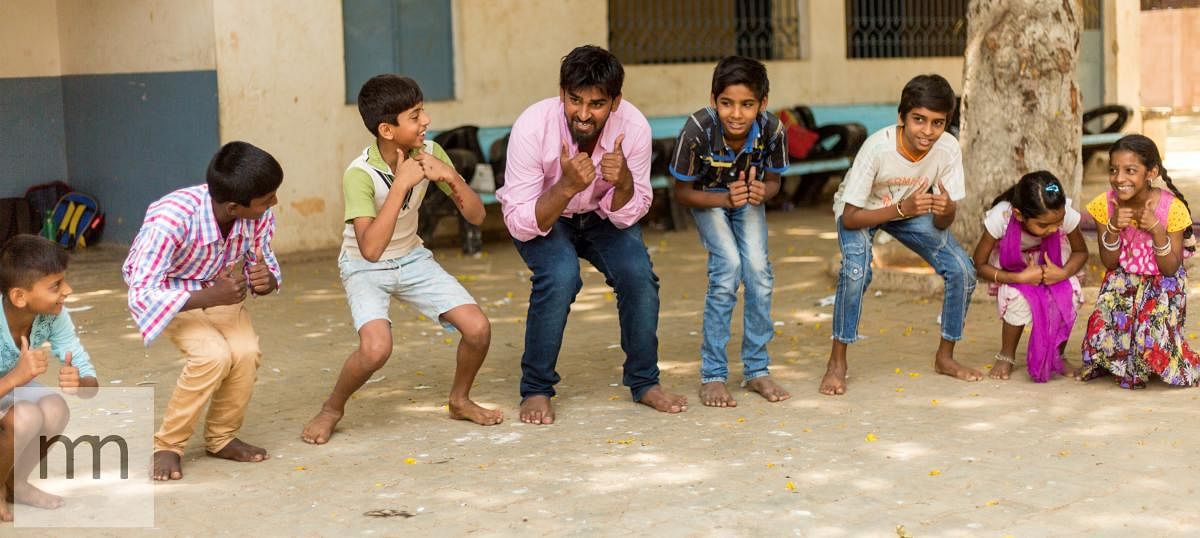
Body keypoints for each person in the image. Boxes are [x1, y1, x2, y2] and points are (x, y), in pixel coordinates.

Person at [301, 75, 502, 446]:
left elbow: (476, 216)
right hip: (365, 265)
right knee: (376, 349)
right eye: (415, 115)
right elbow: (371, 250)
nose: (425, 121)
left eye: (422, 111)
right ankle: (332, 408)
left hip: (411, 256)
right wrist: (400, 185)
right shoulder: (359, 174)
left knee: (478, 329)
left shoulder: (432, 153)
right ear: (387, 130)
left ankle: (459, 400)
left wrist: (452, 180)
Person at [496, 45, 688, 424]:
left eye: (597, 104)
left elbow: (630, 213)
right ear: (561, 92)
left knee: (638, 276)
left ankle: (645, 382)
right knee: (561, 275)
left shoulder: (633, 127)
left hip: (602, 217)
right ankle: (536, 388)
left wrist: (624, 182)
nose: (583, 114)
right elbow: (519, 221)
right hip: (546, 214)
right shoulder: (533, 126)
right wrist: (565, 187)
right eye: (574, 100)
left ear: (615, 102)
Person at [123, 141, 283, 481]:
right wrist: (210, 296)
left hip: (218, 289)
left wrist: (266, 278)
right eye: (267, 199)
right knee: (212, 356)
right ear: (234, 207)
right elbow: (143, 290)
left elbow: (263, 255)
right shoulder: (171, 219)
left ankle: (221, 437)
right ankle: (169, 443)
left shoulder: (257, 214)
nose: (274, 203)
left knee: (245, 351)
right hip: (172, 293)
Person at [823, 74, 980, 396]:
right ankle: (837, 362)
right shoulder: (877, 148)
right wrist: (901, 209)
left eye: (938, 123)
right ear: (902, 117)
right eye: (919, 120)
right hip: (862, 211)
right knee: (855, 272)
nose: (927, 131)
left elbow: (942, 223)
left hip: (909, 210)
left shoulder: (948, 148)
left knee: (963, 270)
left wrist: (946, 208)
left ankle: (945, 357)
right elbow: (851, 218)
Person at [668, 55, 790, 407]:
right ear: (713, 100)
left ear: (762, 104)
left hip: (748, 199)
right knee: (727, 270)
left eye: (747, 105)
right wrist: (724, 200)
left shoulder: (773, 130)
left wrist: (760, 193)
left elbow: (775, 183)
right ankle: (713, 374)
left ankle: (756, 370)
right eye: (727, 103)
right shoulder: (696, 131)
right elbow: (680, 193)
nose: (736, 114)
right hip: (706, 199)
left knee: (759, 272)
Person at [1080, 134, 1200, 388]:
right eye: (1114, 170)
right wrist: (1112, 228)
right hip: (1123, 280)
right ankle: (1121, 356)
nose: (1119, 178)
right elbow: (1110, 263)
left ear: (1151, 172)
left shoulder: (1172, 208)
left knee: (1151, 329)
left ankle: (1147, 353)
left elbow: (1170, 269)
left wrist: (1157, 230)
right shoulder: (1106, 204)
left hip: (1163, 283)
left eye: (1130, 170)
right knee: (1108, 321)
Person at [0, 235, 98, 521]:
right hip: (6, 387)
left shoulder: (54, 315)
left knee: (56, 408)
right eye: (56, 285)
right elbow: (15, 382)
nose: (67, 290)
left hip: (8, 389)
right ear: (20, 296)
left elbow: (89, 378)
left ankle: (16, 484)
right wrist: (16, 377)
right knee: (25, 416)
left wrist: (80, 384)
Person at [970, 171, 1087, 382]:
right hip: (1013, 268)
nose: (1053, 230)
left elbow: (1080, 252)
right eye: (1043, 225)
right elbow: (978, 265)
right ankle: (1007, 354)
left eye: (1057, 223)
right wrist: (1020, 278)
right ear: (1019, 214)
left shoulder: (1064, 213)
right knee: (1017, 298)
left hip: (1055, 263)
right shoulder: (1001, 217)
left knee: (1068, 293)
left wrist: (1062, 273)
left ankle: (1057, 354)